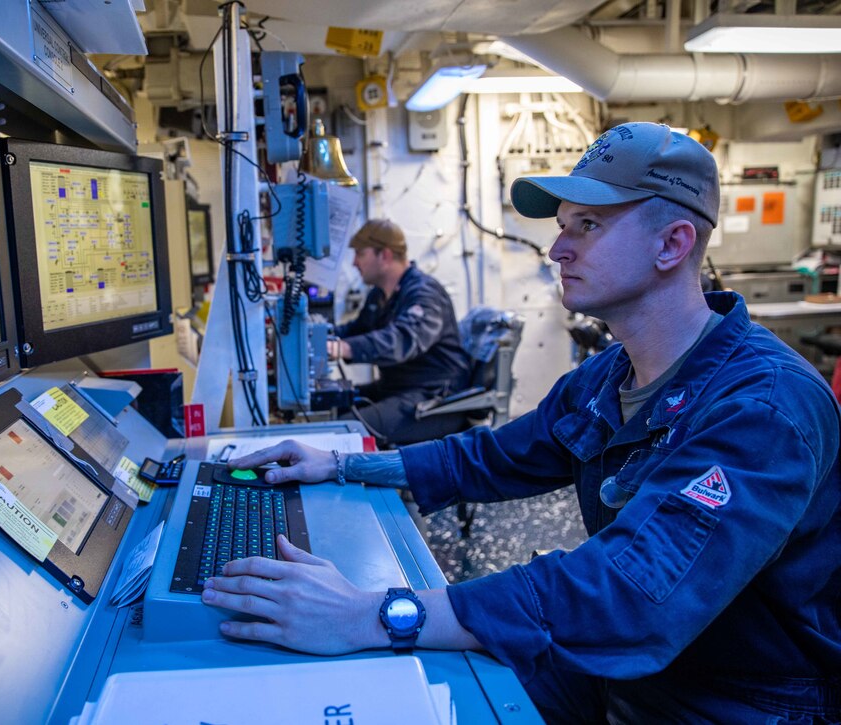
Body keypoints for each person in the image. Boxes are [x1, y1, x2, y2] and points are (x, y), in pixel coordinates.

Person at [200, 123, 841, 722]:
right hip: (632, 671)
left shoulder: (764, 409)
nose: (557, 249)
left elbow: (626, 592)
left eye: (586, 226)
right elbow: (494, 457)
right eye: (562, 226)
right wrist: (342, 463)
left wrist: (372, 614)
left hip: (740, 698)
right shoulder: (611, 375)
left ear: (672, 244)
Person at [329, 218, 471, 445]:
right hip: (396, 390)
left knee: (345, 430)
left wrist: (343, 348)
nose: (355, 262)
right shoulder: (379, 295)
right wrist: (320, 336)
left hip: (434, 399)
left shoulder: (424, 293)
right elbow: (356, 330)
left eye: (360, 254)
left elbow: (403, 340)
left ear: (384, 255)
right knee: (328, 410)